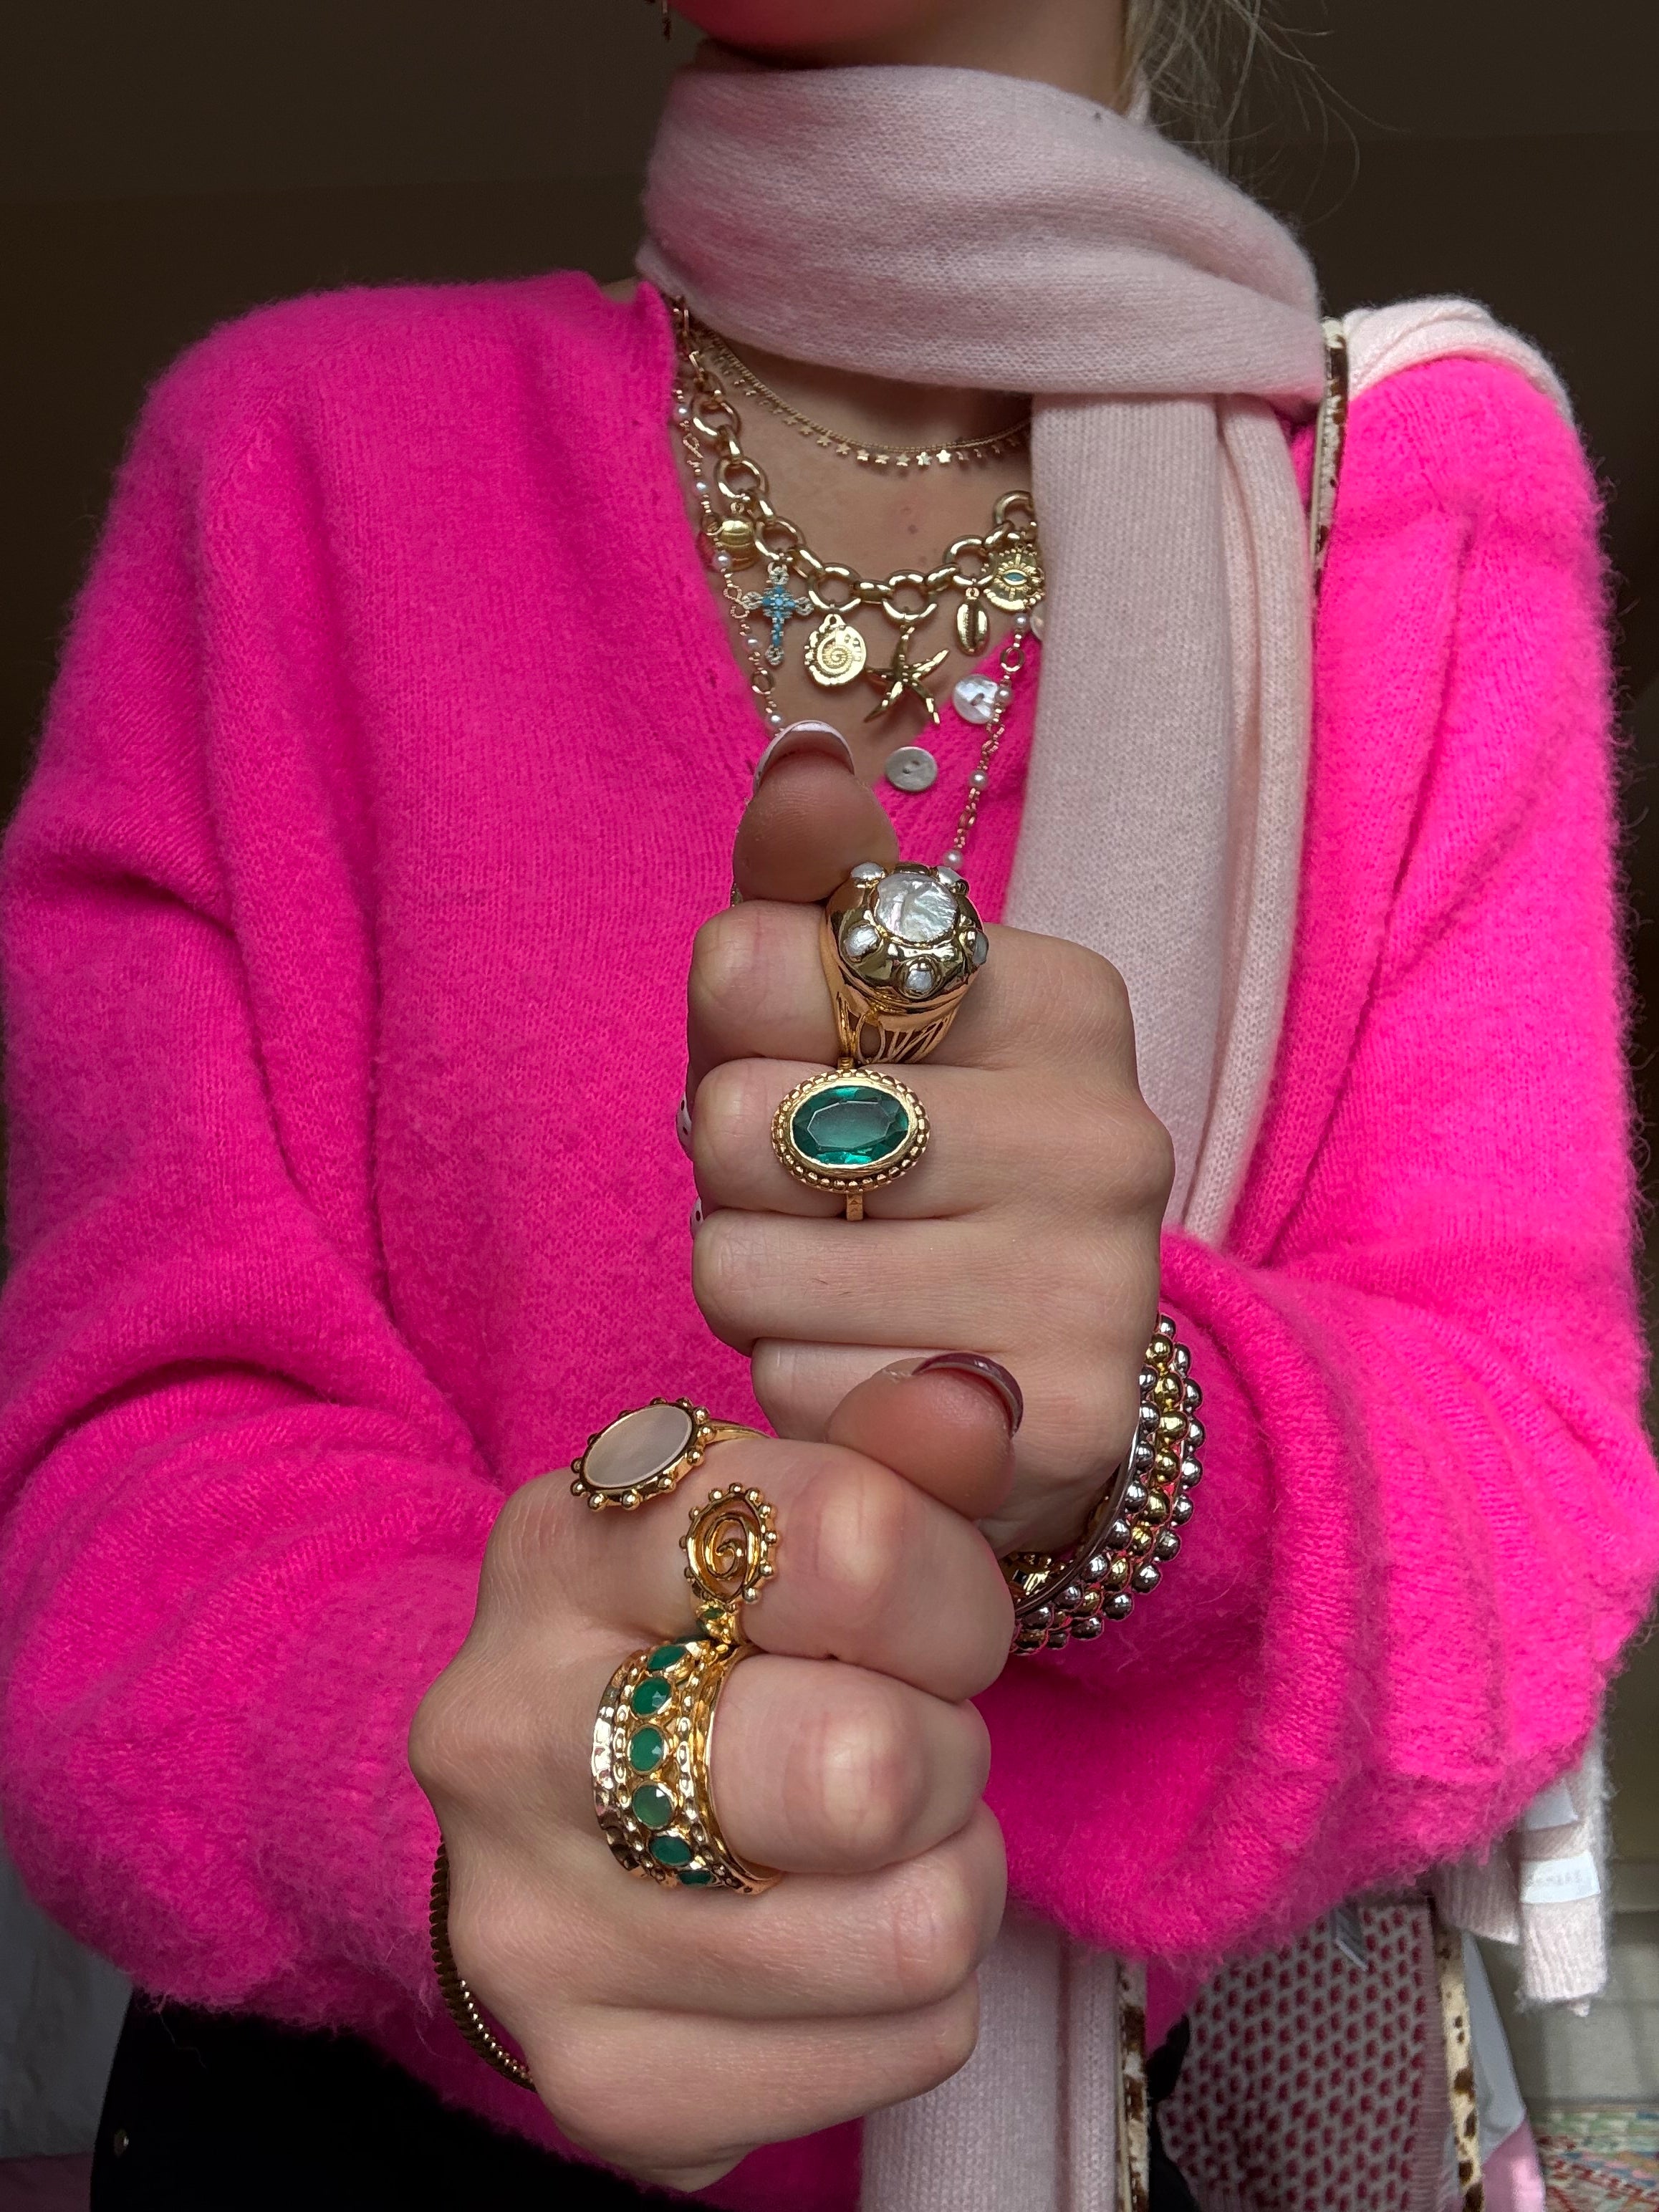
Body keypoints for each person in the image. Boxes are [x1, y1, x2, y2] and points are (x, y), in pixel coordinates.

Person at [1, 1, 1654, 2208]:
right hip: (338, 2130)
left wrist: (1130, 1450)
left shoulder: (1415, 508)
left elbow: (1523, 1536)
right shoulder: (291, 456)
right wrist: (443, 1763)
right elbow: (116, 1485)